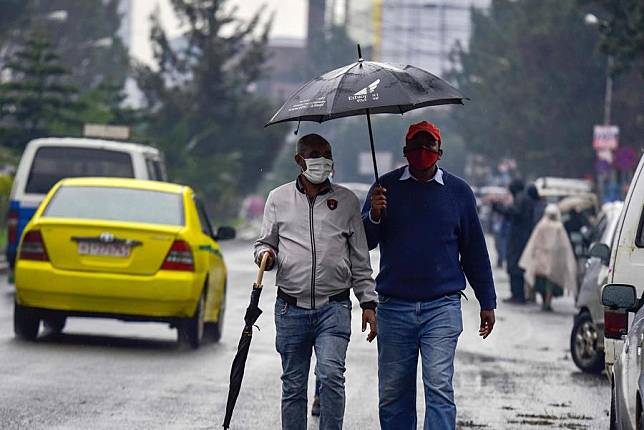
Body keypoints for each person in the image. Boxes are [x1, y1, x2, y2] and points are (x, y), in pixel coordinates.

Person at [363, 121, 496, 430]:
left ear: (440, 152)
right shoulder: (385, 188)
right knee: (394, 393)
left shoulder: (459, 192)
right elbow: (365, 242)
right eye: (416, 146)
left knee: (439, 388)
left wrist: (486, 300)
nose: (422, 152)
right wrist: (376, 214)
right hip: (394, 307)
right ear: (405, 151)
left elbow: (474, 250)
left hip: (442, 306)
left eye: (429, 146)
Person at [254, 133, 378, 430]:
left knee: (331, 375)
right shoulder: (278, 198)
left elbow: (360, 258)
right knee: (293, 384)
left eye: (326, 153)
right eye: (313, 153)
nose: (322, 159)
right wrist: (265, 255)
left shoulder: (347, 201)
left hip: (333, 308)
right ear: (299, 160)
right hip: (290, 309)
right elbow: (264, 243)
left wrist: (369, 303)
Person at [519, 204, 577, 311]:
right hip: (553, 259)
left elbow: (533, 242)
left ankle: (545, 300)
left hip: (541, 259)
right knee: (550, 282)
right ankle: (548, 301)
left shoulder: (542, 226)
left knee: (541, 281)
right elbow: (564, 245)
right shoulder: (559, 227)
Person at [492, 180, 540, 304]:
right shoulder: (523, 198)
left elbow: (515, 212)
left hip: (519, 238)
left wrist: (499, 207)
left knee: (515, 266)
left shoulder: (521, 198)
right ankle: (517, 294)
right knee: (515, 266)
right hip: (520, 237)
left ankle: (518, 295)